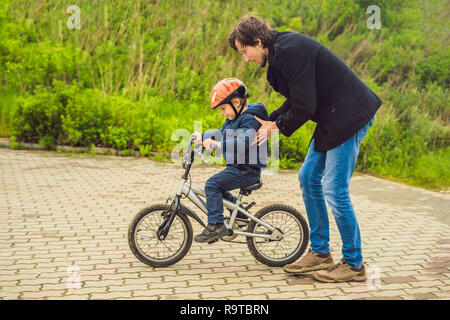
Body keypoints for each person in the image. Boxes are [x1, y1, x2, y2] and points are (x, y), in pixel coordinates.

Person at [229, 16, 382, 282]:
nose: (245, 58)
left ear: (257, 41)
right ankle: (321, 253)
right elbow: (297, 99)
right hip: (331, 117)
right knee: (308, 177)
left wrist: (275, 126)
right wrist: (272, 119)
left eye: (245, 51)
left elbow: (305, 106)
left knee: (335, 188)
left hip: (349, 115)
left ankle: (354, 264)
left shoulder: (289, 50)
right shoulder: (278, 54)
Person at [192, 78, 269, 243]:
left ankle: (216, 225)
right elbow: (220, 133)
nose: (222, 112)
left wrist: (217, 144)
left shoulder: (251, 119)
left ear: (236, 102)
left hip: (247, 170)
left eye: (223, 108)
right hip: (238, 168)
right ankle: (239, 211)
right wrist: (203, 137)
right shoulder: (234, 119)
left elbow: (242, 142)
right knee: (217, 187)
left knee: (212, 184)